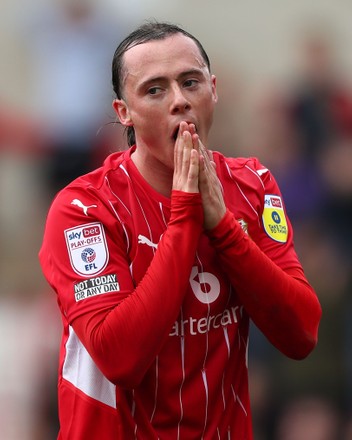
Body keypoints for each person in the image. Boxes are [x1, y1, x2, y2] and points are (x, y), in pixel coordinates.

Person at [39, 21, 322, 439]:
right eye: (155, 90)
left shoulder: (254, 184)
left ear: (213, 89)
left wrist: (224, 229)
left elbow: (301, 333)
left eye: (190, 83)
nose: (179, 101)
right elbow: (120, 359)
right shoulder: (84, 209)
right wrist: (187, 214)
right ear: (124, 113)